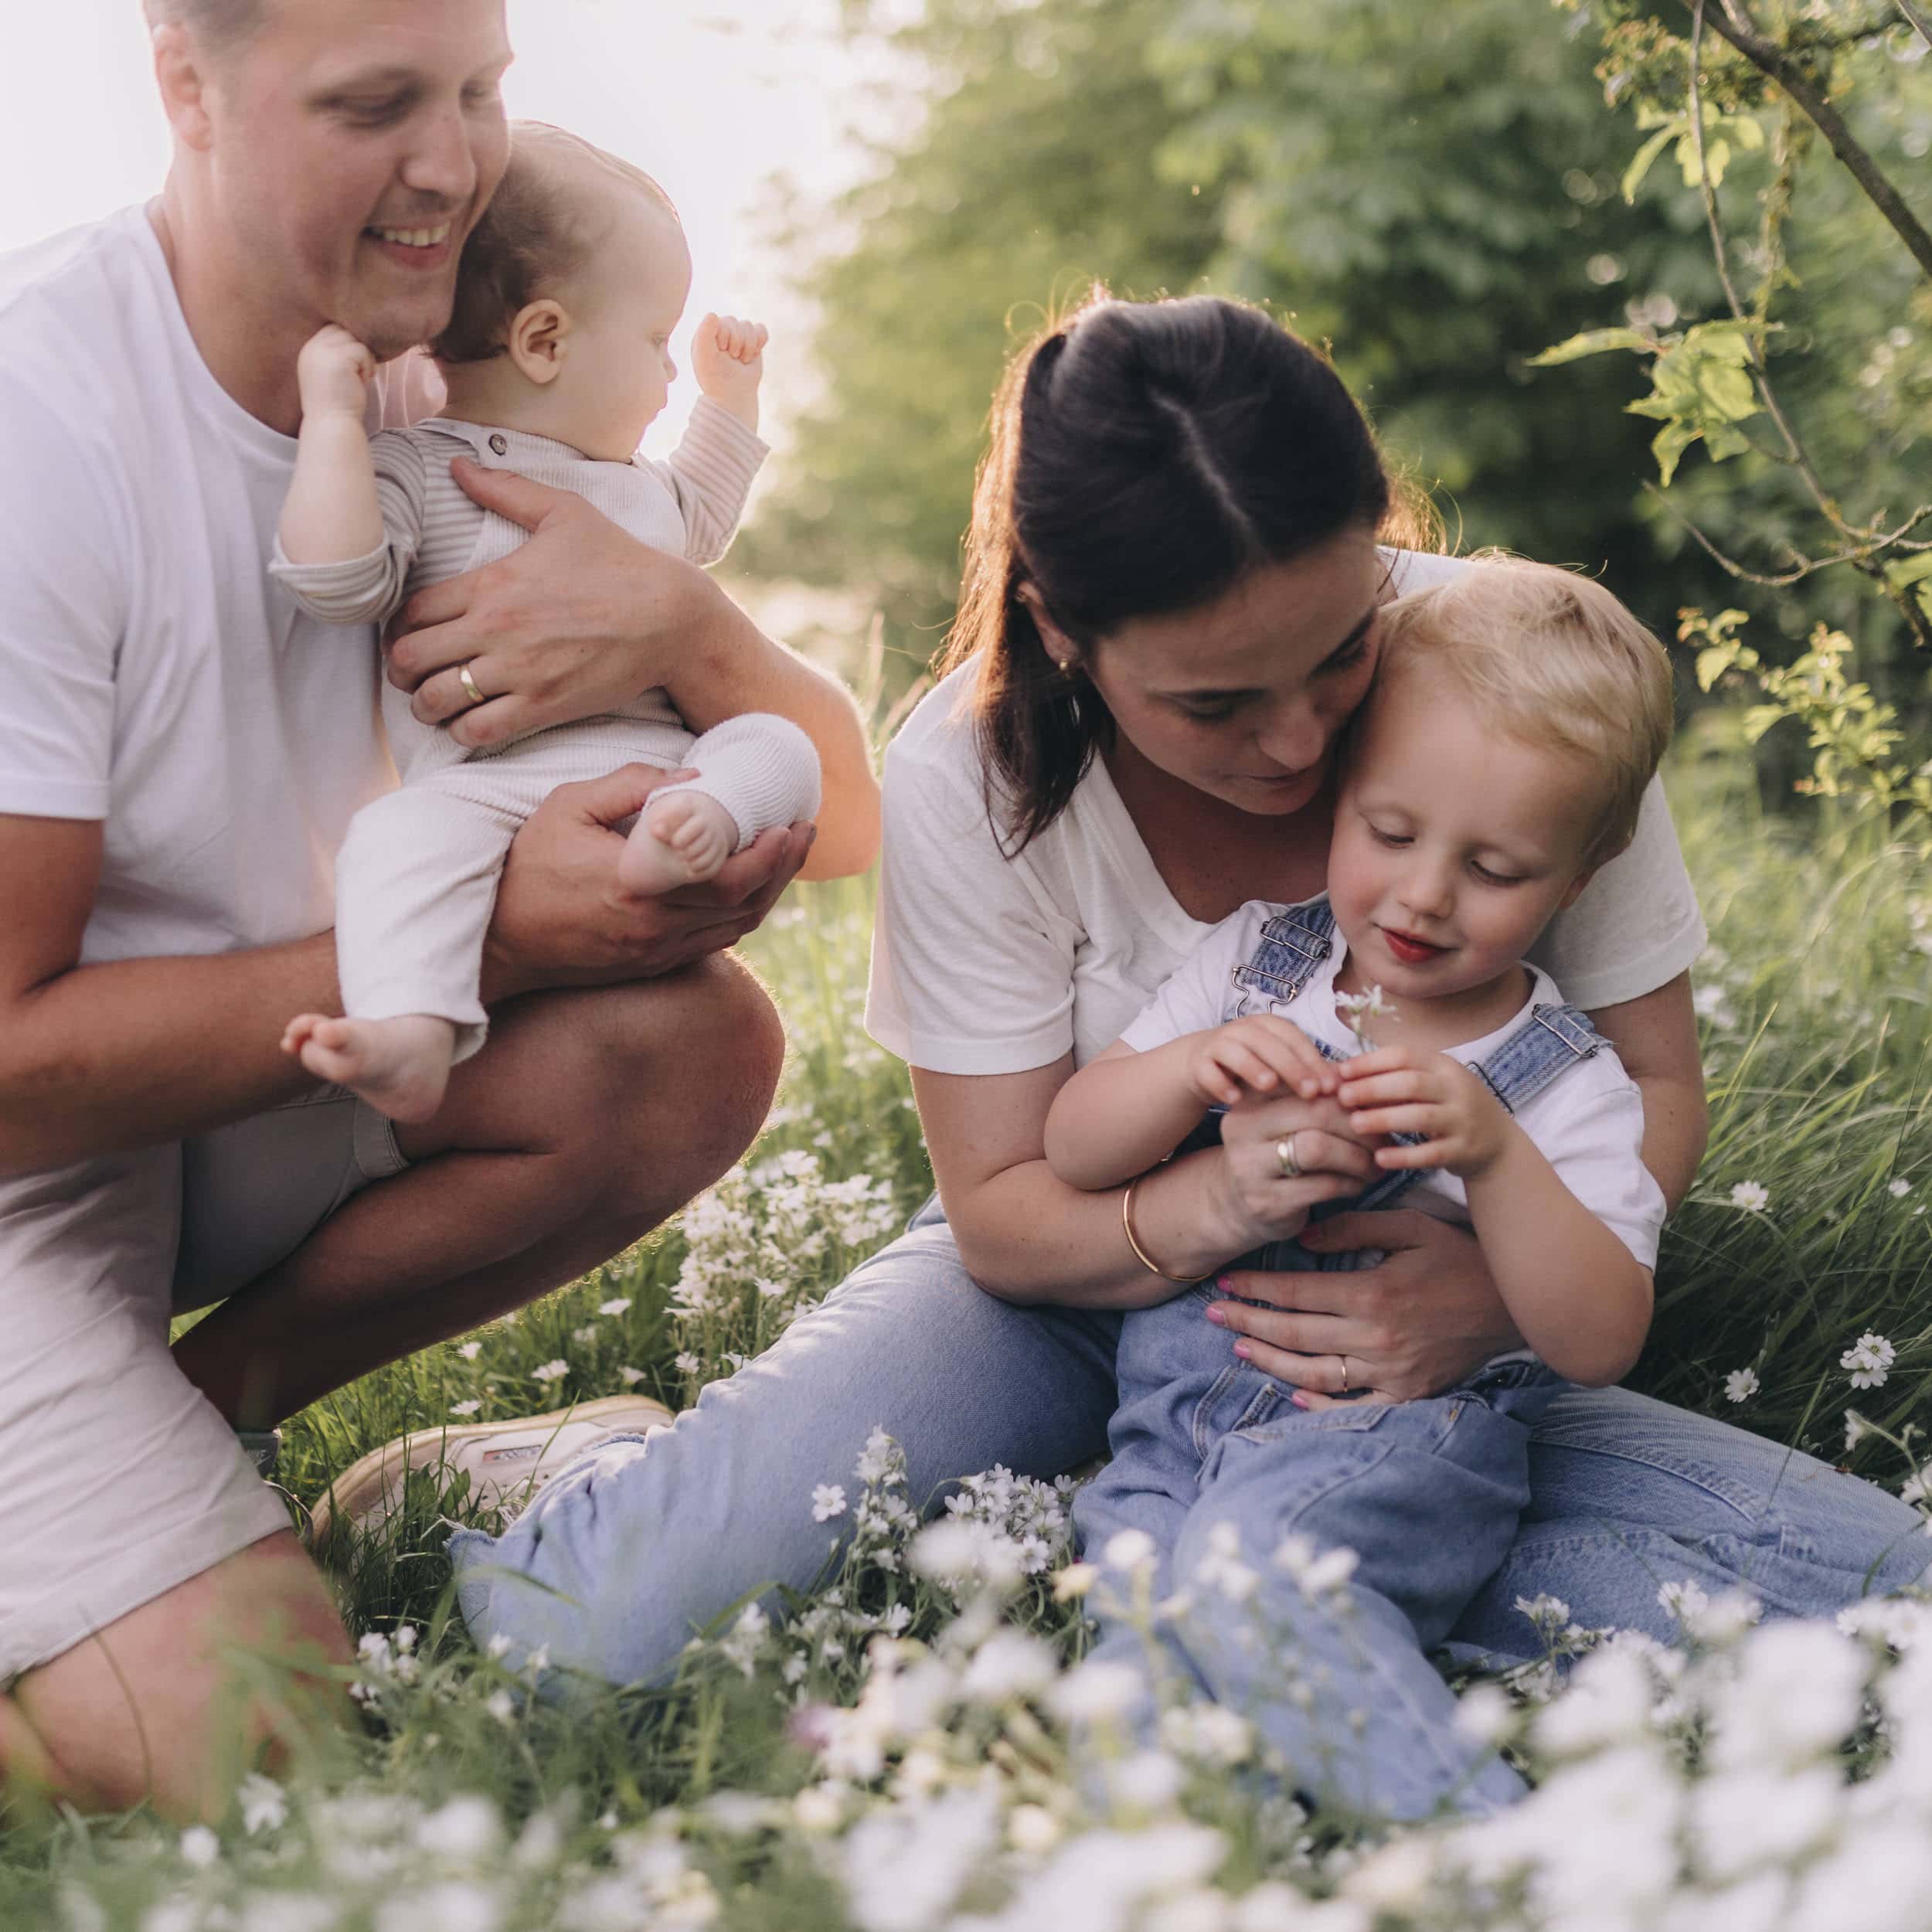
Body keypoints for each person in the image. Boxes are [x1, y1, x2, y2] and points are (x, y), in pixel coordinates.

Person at [449, 294, 1927, 1740]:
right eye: (1216, 705)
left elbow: (1656, 1085)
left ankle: (1206, 1550)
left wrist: (1483, 1313)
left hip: (1420, 1352)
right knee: (590, 1635)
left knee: (1886, 1611)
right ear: (1065, 632)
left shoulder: (1524, 683)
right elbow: (1009, 1221)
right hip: (1071, 1292)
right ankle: (594, 1468)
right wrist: (1223, 1195)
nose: (1298, 745)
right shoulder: (970, 773)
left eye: (1342, 657)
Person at [0, 0, 878, 1818]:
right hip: (30, 1161)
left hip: (227, 1098)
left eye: (479, 91)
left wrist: (684, 635)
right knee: (259, 1749)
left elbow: (857, 821)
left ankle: (217, 1423)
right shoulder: (44, 432)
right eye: (374, 104)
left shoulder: (452, 381)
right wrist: (479, 936)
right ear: (184, 86)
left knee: (688, 1041)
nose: (450, 167)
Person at [1044, 558, 1675, 1816]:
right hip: (1168, 1436)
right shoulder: (1257, 966)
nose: (1425, 897)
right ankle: (1201, 1870)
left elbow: (1601, 1336)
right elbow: (1072, 1145)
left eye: (1495, 871)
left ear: (1578, 882)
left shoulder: (1555, 1078)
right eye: (1391, 834)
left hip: (1393, 1439)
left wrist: (1495, 1158)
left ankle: (1488, 1860)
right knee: (1134, 1652)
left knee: (1259, 1577)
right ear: (1342, 796)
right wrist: (1185, 1073)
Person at [274, 122, 820, 1124]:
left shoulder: (636, 487)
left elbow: (704, 516)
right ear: (544, 341)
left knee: (782, 743)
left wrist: (729, 402)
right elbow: (337, 582)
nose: (669, 377)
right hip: (489, 797)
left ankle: (689, 831)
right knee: (398, 836)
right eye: (658, 343)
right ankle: (410, 1027)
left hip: (665, 769)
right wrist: (336, 432)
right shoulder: (420, 469)